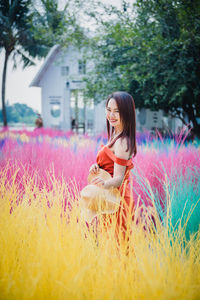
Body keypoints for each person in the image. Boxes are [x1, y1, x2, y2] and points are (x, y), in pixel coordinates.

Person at [89, 91, 137, 239]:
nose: (111, 115)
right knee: (108, 244)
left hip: (118, 200)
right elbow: (108, 165)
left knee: (118, 247)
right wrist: (96, 167)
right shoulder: (116, 134)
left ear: (127, 113)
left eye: (117, 111)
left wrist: (103, 183)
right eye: (109, 110)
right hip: (109, 197)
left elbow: (119, 178)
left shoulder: (123, 141)